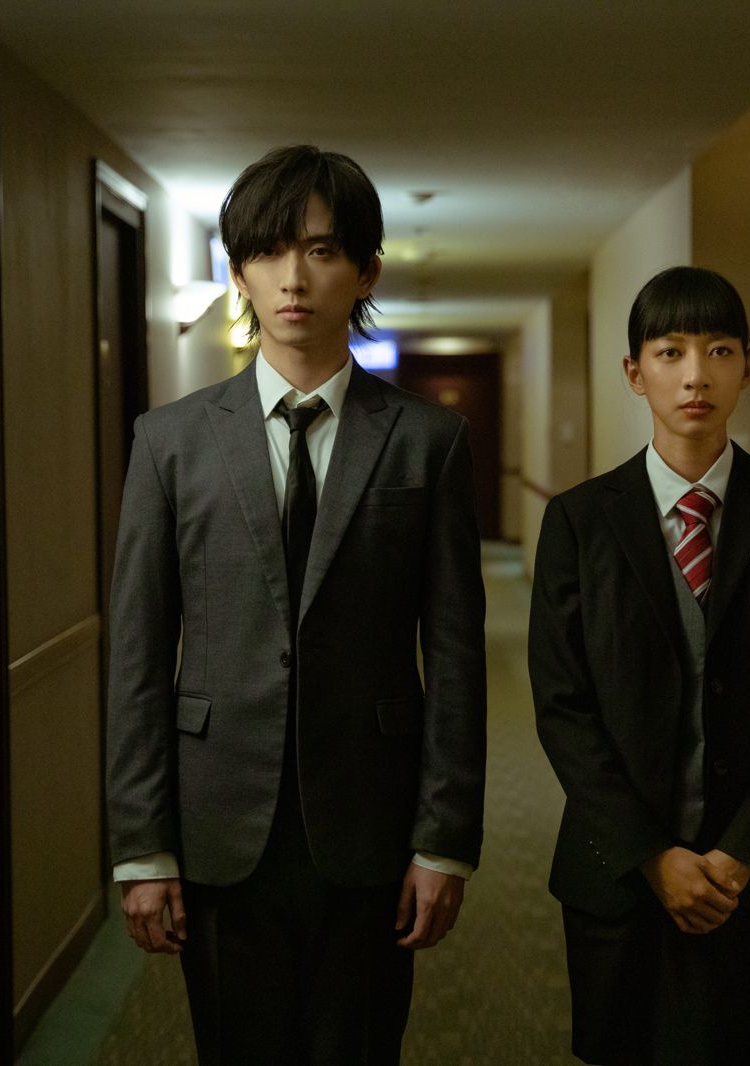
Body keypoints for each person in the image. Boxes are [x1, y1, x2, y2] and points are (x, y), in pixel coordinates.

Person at [104, 145, 487, 1065]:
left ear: (366, 271)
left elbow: (456, 654)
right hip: (217, 819)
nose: (294, 278)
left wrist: (444, 842)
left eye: (320, 250)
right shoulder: (170, 442)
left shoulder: (428, 440)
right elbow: (138, 653)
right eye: (269, 252)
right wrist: (143, 847)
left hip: (371, 815)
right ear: (238, 273)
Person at [528, 266, 750, 1065]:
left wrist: (738, 855)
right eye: (670, 352)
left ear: (748, 366)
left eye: (718, 350)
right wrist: (651, 855)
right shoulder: (579, 523)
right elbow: (563, 706)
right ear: (635, 372)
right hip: (617, 872)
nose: (696, 375)